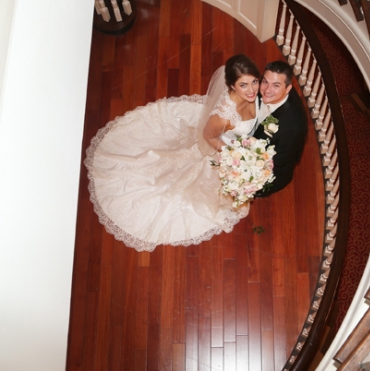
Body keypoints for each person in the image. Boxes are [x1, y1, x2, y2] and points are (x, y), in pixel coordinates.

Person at [85, 54, 262, 252]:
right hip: (223, 151)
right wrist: (234, 154)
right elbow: (209, 137)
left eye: (254, 81)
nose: (252, 89)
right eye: (243, 85)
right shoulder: (222, 117)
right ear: (231, 86)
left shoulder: (258, 94)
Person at [253, 61, 308, 197]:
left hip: (271, 168)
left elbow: (280, 160)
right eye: (265, 82)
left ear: (288, 88)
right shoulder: (269, 89)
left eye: (276, 85)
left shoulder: (294, 128)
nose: (267, 90)